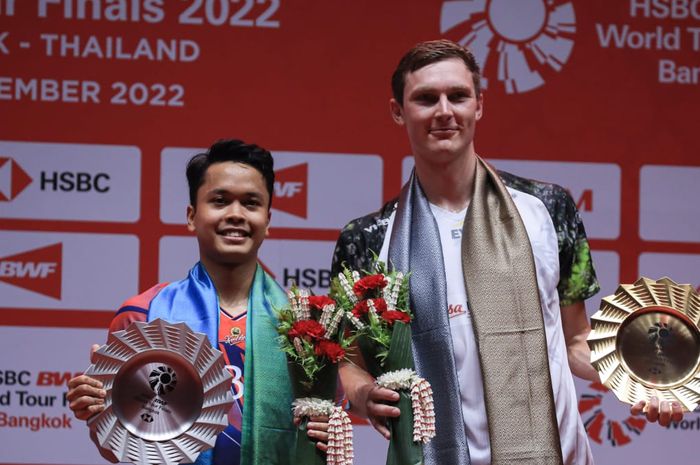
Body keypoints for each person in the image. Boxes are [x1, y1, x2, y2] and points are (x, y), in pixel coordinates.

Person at [331, 40, 683, 465]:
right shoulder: (366, 239)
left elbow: (575, 339)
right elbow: (347, 361)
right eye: (426, 99)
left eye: (457, 96)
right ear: (397, 111)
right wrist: (363, 392)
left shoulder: (549, 209)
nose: (444, 111)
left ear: (479, 105)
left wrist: (643, 378)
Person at [67, 139, 329, 465]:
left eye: (251, 203)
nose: (235, 214)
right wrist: (98, 409)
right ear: (192, 216)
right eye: (219, 201)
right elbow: (117, 449)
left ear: (268, 220)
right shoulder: (143, 315)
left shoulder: (308, 322)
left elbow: (324, 436)